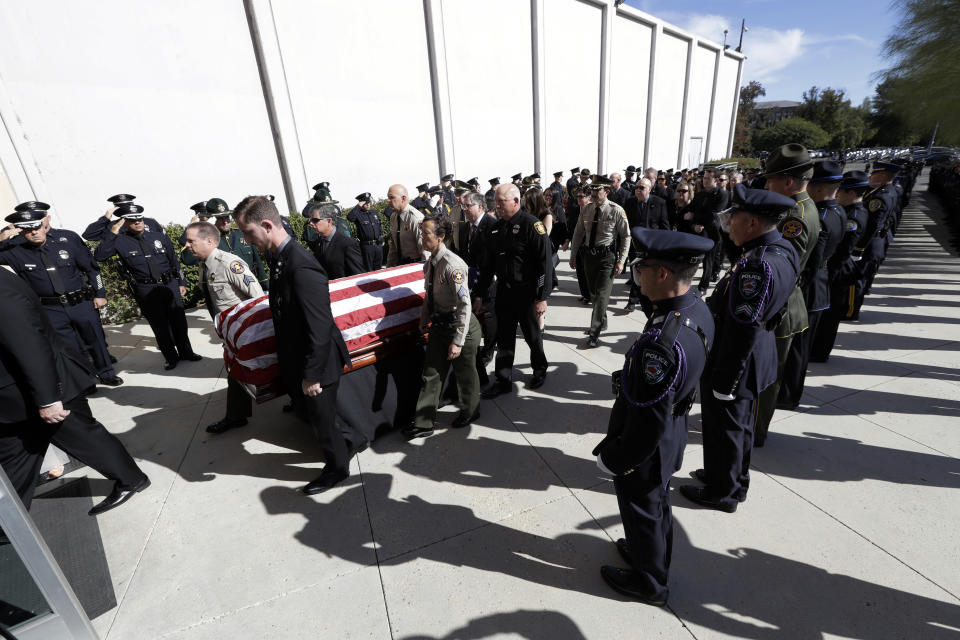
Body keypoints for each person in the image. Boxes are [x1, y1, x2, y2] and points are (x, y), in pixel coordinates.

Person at [594, 227, 715, 607]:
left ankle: (650, 582)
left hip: (650, 442)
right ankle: (651, 557)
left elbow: (646, 425)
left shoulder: (662, 345)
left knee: (643, 506)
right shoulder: (693, 307)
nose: (637, 274)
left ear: (661, 273)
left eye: (641, 267)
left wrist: (615, 459)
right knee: (656, 504)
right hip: (673, 428)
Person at [679, 185, 799, 513]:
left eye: (734, 218)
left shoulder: (756, 265)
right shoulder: (783, 248)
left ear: (752, 224)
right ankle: (732, 477)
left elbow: (743, 327)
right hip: (756, 356)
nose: (728, 223)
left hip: (736, 361)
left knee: (726, 428)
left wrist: (725, 379)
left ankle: (723, 492)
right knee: (740, 427)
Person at [233, 196, 363, 495]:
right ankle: (351, 442)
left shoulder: (301, 267)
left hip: (316, 361)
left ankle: (337, 469)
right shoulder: (280, 259)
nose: (246, 240)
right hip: (297, 357)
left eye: (249, 232)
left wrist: (312, 374)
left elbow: (319, 327)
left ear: (267, 225)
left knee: (322, 422)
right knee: (312, 416)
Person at [0, 266, 149, 514]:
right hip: (17, 397)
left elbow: (28, 344)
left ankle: (131, 480)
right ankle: (11, 521)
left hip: (46, 389)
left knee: (84, 437)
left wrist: (48, 399)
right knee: (15, 455)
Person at [1, 206, 122, 387]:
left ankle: (106, 373)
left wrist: (100, 293)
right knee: (68, 347)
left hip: (80, 302)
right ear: (21, 231)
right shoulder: (13, 250)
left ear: (44, 225)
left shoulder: (67, 241)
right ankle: (85, 382)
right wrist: (2, 238)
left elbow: (91, 269)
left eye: (36, 227)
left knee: (94, 339)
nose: (34, 233)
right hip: (50, 309)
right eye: (27, 230)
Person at [753, 144, 820, 447]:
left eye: (771, 179)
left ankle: (754, 431)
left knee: (767, 375)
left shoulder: (795, 215)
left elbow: (783, 266)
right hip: (780, 303)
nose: (767, 185)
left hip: (780, 307)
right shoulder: (799, 207)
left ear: (788, 182)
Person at [93, 203, 201, 370]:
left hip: (169, 284)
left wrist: (181, 282)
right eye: (132, 220)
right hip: (145, 289)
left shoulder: (159, 237)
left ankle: (187, 352)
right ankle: (170, 357)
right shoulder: (119, 241)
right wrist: (112, 233)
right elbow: (100, 256)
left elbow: (174, 263)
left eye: (140, 219)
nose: (138, 222)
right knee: (159, 326)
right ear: (125, 222)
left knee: (179, 321)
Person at [404, 214, 482, 439]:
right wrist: (423, 319)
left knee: (465, 372)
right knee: (431, 373)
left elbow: (464, 305)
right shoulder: (430, 263)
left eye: (426, 233)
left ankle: (471, 410)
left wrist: (458, 341)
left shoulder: (453, 265)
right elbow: (430, 295)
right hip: (439, 325)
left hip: (460, 327)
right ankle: (423, 422)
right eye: (421, 232)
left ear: (441, 236)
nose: (421, 236)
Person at [182, 221, 264, 434]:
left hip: (246, 331)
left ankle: (236, 415)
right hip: (230, 331)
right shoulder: (204, 264)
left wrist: (255, 334)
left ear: (209, 241)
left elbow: (257, 297)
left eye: (191, 241)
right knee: (235, 371)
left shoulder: (228, 263)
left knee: (244, 370)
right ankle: (236, 415)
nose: (187, 246)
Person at [778, 160, 845, 409]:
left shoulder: (822, 217)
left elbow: (811, 263)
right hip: (821, 286)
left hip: (810, 289)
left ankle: (787, 397)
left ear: (817, 188)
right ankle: (791, 394)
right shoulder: (838, 211)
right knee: (800, 350)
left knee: (796, 351)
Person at [478, 184, 552, 397]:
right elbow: (488, 266)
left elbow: (544, 265)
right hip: (504, 293)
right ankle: (503, 379)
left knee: (532, 336)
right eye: (496, 201)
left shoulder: (533, 226)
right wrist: (480, 293)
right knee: (504, 338)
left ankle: (539, 369)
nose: (497, 205)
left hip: (527, 294)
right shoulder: (496, 229)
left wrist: (541, 297)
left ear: (516, 202)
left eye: (502, 201)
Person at [810, 170, 870, 361]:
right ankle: (818, 350)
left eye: (842, 191)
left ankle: (819, 352)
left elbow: (844, 251)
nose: (838, 194)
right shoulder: (844, 212)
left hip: (836, 272)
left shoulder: (854, 216)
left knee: (829, 318)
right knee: (826, 316)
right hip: (833, 271)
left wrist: (830, 273)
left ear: (851, 193)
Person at [569, 176, 630, 347]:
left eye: (598, 190)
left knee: (602, 295)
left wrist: (621, 260)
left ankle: (594, 333)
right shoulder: (586, 209)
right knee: (594, 294)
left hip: (607, 258)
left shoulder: (616, 210)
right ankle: (602, 321)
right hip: (589, 256)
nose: (594, 193)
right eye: (592, 190)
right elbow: (578, 233)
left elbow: (626, 236)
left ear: (607, 191)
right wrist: (573, 254)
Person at [182, 198, 269, 290]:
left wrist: (266, 286)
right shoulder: (206, 241)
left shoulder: (242, 234)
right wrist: (197, 227)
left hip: (251, 286)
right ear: (212, 220)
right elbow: (187, 260)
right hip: (226, 292)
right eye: (220, 218)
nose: (225, 221)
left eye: (227, 217)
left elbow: (257, 264)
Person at [623, 178, 669, 314]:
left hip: (651, 248)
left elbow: (664, 226)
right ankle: (633, 300)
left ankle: (650, 303)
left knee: (648, 276)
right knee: (635, 275)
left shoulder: (659, 203)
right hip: (634, 246)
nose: (638, 190)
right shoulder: (630, 202)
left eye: (642, 188)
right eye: (637, 187)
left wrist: (662, 246)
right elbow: (626, 225)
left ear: (650, 189)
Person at [680, 168, 729, 295]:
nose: (705, 181)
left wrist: (694, 217)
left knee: (709, 260)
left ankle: (703, 286)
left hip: (712, 231)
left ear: (716, 180)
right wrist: (688, 217)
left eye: (708, 178)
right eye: (704, 178)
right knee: (691, 258)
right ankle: (683, 283)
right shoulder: (700, 194)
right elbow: (691, 208)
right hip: (698, 230)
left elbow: (714, 214)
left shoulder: (722, 194)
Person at [307, 203, 364, 279]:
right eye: (310, 220)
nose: (311, 223)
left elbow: (358, 275)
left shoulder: (347, 244)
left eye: (315, 220)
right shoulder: (319, 242)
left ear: (329, 221)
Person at [82, 194, 162, 241]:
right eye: (121, 208)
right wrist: (105, 218)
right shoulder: (112, 226)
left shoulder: (150, 222)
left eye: (127, 207)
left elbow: (164, 240)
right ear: (115, 210)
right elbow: (88, 235)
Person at [385, 184, 427, 266]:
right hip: (400, 264)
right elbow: (393, 247)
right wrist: (388, 268)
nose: (388, 200)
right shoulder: (394, 216)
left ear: (403, 198)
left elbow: (425, 249)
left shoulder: (415, 218)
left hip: (416, 265)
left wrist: (426, 272)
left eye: (392, 197)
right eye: (388, 197)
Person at [346, 192, 385, 272]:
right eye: (365, 203)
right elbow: (350, 217)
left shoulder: (374, 213)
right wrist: (358, 206)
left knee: (379, 269)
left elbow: (379, 227)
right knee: (369, 270)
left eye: (369, 202)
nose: (368, 205)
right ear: (361, 203)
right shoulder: (358, 214)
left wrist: (382, 239)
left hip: (378, 245)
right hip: (367, 247)